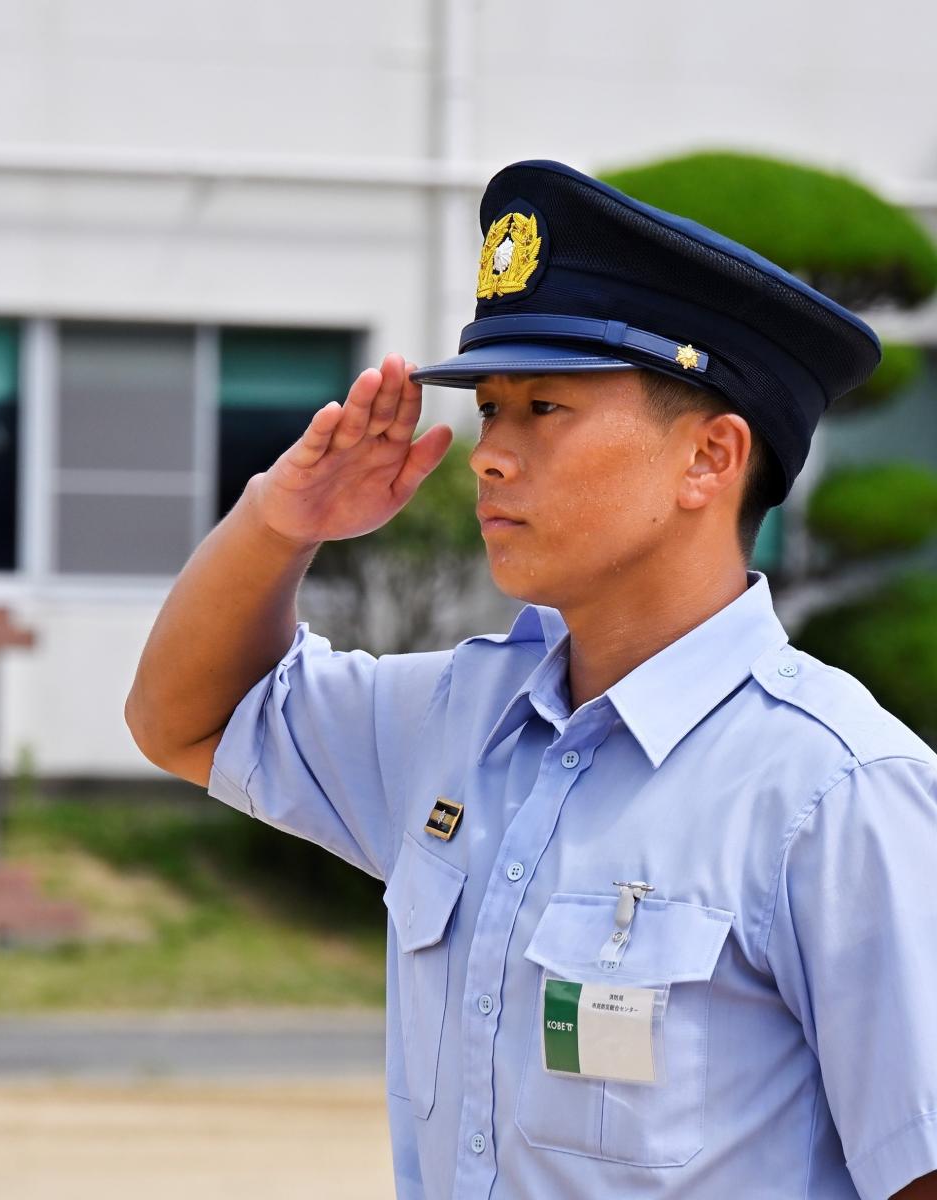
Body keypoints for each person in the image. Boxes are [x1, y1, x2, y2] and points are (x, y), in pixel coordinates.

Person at [126, 159, 937, 1200]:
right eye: (491, 409)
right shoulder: (460, 722)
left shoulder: (835, 792)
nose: (490, 456)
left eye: (544, 408)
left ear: (710, 458)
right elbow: (186, 721)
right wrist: (278, 525)